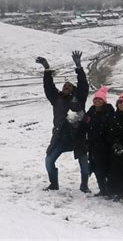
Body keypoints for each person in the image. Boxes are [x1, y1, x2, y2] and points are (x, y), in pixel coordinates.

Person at [36, 51, 90, 193]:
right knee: (49, 161)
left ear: (73, 89)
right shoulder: (56, 99)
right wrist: (47, 69)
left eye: (69, 86)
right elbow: (48, 87)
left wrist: (79, 67)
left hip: (77, 137)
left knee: (84, 164)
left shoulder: (79, 98)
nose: (66, 87)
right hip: (60, 137)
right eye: (64, 86)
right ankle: (54, 184)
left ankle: (84, 185)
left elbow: (83, 85)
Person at [82, 86, 115, 196]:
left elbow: (109, 128)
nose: (97, 101)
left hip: (105, 146)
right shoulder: (91, 110)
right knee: (96, 168)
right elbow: (85, 123)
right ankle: (102, 190)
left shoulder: (109, 111)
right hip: (92, 145)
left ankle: (110, 190)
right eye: (96, 99)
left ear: (104, 101)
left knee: (105, 169)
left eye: (100, 99)